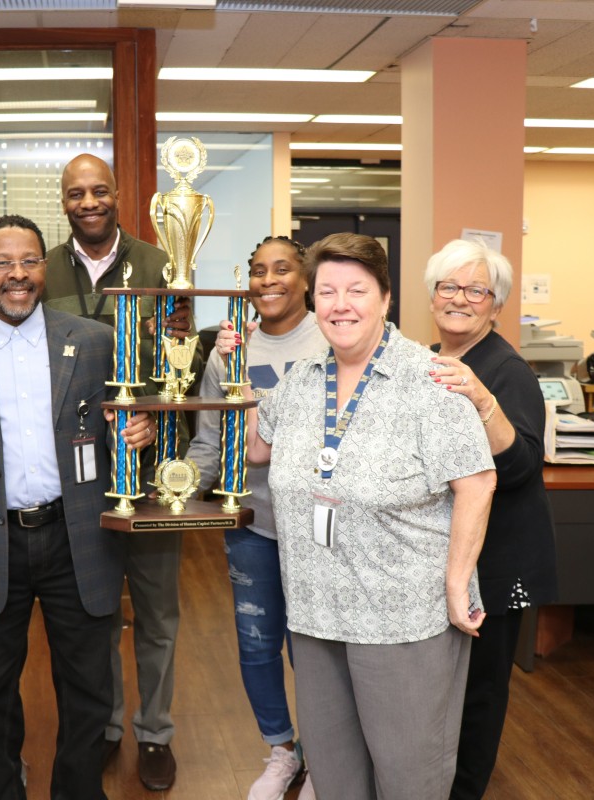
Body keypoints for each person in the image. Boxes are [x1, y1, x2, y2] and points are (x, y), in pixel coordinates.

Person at [221, 232, 496, 799]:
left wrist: (455, 581)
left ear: (386, 299)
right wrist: (232, 370)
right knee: (336, 775)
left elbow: (479, 479)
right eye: (327, 291)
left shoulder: (430, 381)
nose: (340, 304)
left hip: (401, 618)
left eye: (356, 290)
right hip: (317, 611)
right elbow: (254, 448)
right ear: (312, 301)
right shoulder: (301, 380)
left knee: (407, 779)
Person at [0, 214, 154, 799]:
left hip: (77, 536)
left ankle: (78, 791)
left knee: (88, 687)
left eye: (29, 261)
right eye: (3, 263)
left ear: (44, 267)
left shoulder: (95, 342)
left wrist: (139, 433)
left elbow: (119, 430)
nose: (18, 275)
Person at [43, 153, 191, 790]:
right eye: (76, 193)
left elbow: (182, 353)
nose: (89, 202)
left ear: (119, 193)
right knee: (93, 611)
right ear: (64, 202)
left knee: (158, 612)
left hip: (153, 472)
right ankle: (103, 725)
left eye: (99, 190)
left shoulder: (162, 265)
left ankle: (153, 732)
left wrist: (158, 417)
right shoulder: (42, 270)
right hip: (75, 476)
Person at [186, 235, 323, 800]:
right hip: (252, 523)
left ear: (305, 278)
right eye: (259, 271)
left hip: (321, 530)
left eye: (282, 269)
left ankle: (324, 757)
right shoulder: (227, 352)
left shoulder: (331, 338)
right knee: (258, 642)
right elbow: (209, 443)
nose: (269, 281)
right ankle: (282, 751)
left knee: (314, 647)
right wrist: (170, 493)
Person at [422, 239, 558, 799]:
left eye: (475, 290)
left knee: (479, 694)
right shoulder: (435, 357)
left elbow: (523, 465)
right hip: (459, 554)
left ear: (495, 305)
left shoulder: (506, 371)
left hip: (501, 562)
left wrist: (485, 402)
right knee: (448, 691)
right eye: (448, 287)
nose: (459, 299)